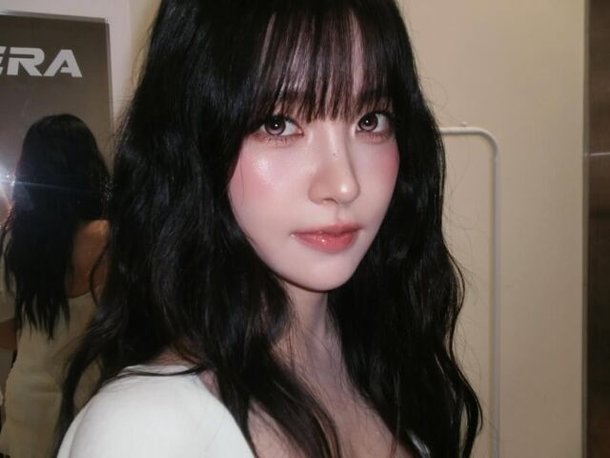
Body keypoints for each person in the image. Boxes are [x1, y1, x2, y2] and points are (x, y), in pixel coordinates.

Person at [58, 0, 481, 456]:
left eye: (370, 120)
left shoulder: (388, 365)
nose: (344, 184)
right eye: (278, 124)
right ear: (194, 137)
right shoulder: (144, 432)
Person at [0, 114, 110, 458]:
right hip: (87, 407)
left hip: (26, 407)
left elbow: (4, 329)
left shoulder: (15, 241)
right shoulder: (111, 239)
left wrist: (42, 338)